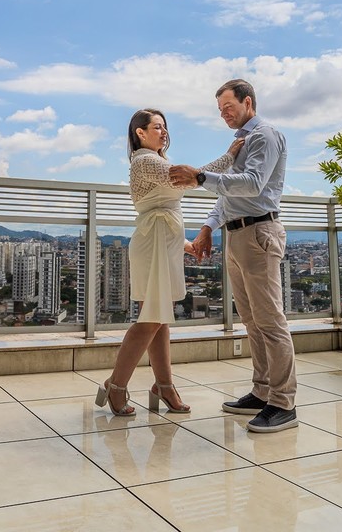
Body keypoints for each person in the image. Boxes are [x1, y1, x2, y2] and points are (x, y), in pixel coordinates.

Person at [167, 79, 297, 433]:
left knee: (270, 320)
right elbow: (231, 194)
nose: (224, 114)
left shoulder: (264, 136)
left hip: (259, 232)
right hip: (237, 234)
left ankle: (283, 403)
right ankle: (263, 390)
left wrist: (199, 176)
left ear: (248, 102)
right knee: (252, 321)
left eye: (229, 107)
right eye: (220, 110)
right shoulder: (241, 141)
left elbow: (253, 183)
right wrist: (209, 226)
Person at [95, 108, 243, 416]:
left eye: (164, 127)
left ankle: (163, 385)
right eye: (157, 127)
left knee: (160, 317)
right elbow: (187, 179)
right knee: (151, 317)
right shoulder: (146, 160)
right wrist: (228, 156)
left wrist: (185, 245)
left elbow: (163, 208)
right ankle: (116, 385)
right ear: (140, 133)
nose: (164, 132)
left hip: (162, 242)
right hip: (154, 243)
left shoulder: (155, 160)